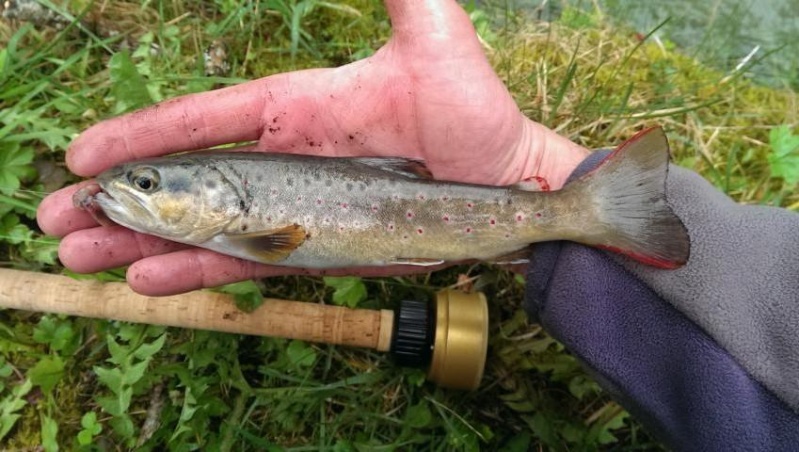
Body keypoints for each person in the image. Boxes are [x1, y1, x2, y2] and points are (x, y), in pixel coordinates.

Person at [37, 0, 799, 449]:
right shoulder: (226, 223)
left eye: (142, 184)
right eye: (138, 183)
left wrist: (535, 170)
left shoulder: (241, 227)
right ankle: (587, 213)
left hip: (490, 213)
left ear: (214, 193)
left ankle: (590, 213)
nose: (123, 189)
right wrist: (539, 169)